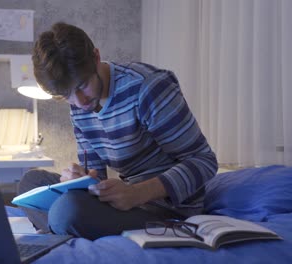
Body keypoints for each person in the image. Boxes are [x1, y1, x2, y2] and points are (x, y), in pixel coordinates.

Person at [18, 22, 218, 240]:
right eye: (66, 96)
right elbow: (95, 177)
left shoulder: (148, 87)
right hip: (127, 202)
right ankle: (62, 227)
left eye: (82, 86)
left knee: (68, 210)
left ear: (96, 57)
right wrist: (78, 179)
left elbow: (204, 161)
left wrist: (138, 193)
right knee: (30, 183)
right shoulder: (79, 105)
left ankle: (58, 229)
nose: (79, 102)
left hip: (169, 209)